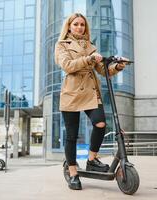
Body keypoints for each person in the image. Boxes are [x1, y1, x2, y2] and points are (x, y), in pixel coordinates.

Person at [54, 13, 128, 190]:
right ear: (69, 26)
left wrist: (117, 66)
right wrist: (88, 58)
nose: (80, 27)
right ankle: (73, 173)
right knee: (72, 135)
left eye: (82, 25)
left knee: (100, 123)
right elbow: (67, 66)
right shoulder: (62, 45)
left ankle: (92, 159)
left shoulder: (90, 46)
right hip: (71, 92)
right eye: (76, 24)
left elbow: (103, 70)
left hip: (90, 91)